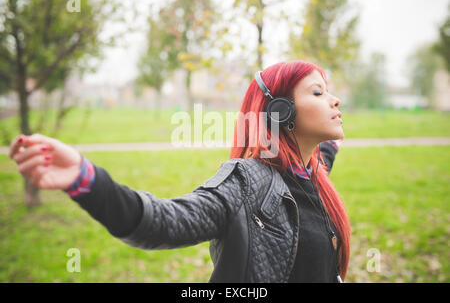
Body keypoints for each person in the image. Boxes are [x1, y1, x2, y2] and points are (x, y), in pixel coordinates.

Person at [8, 60, 350, 283]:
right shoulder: (247, 183)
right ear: (280, 112)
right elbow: (164, 220)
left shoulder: (313, 176)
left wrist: (328, 143)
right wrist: (86, 179)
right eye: (318, 92)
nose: (334, 100)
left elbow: (322, 160)